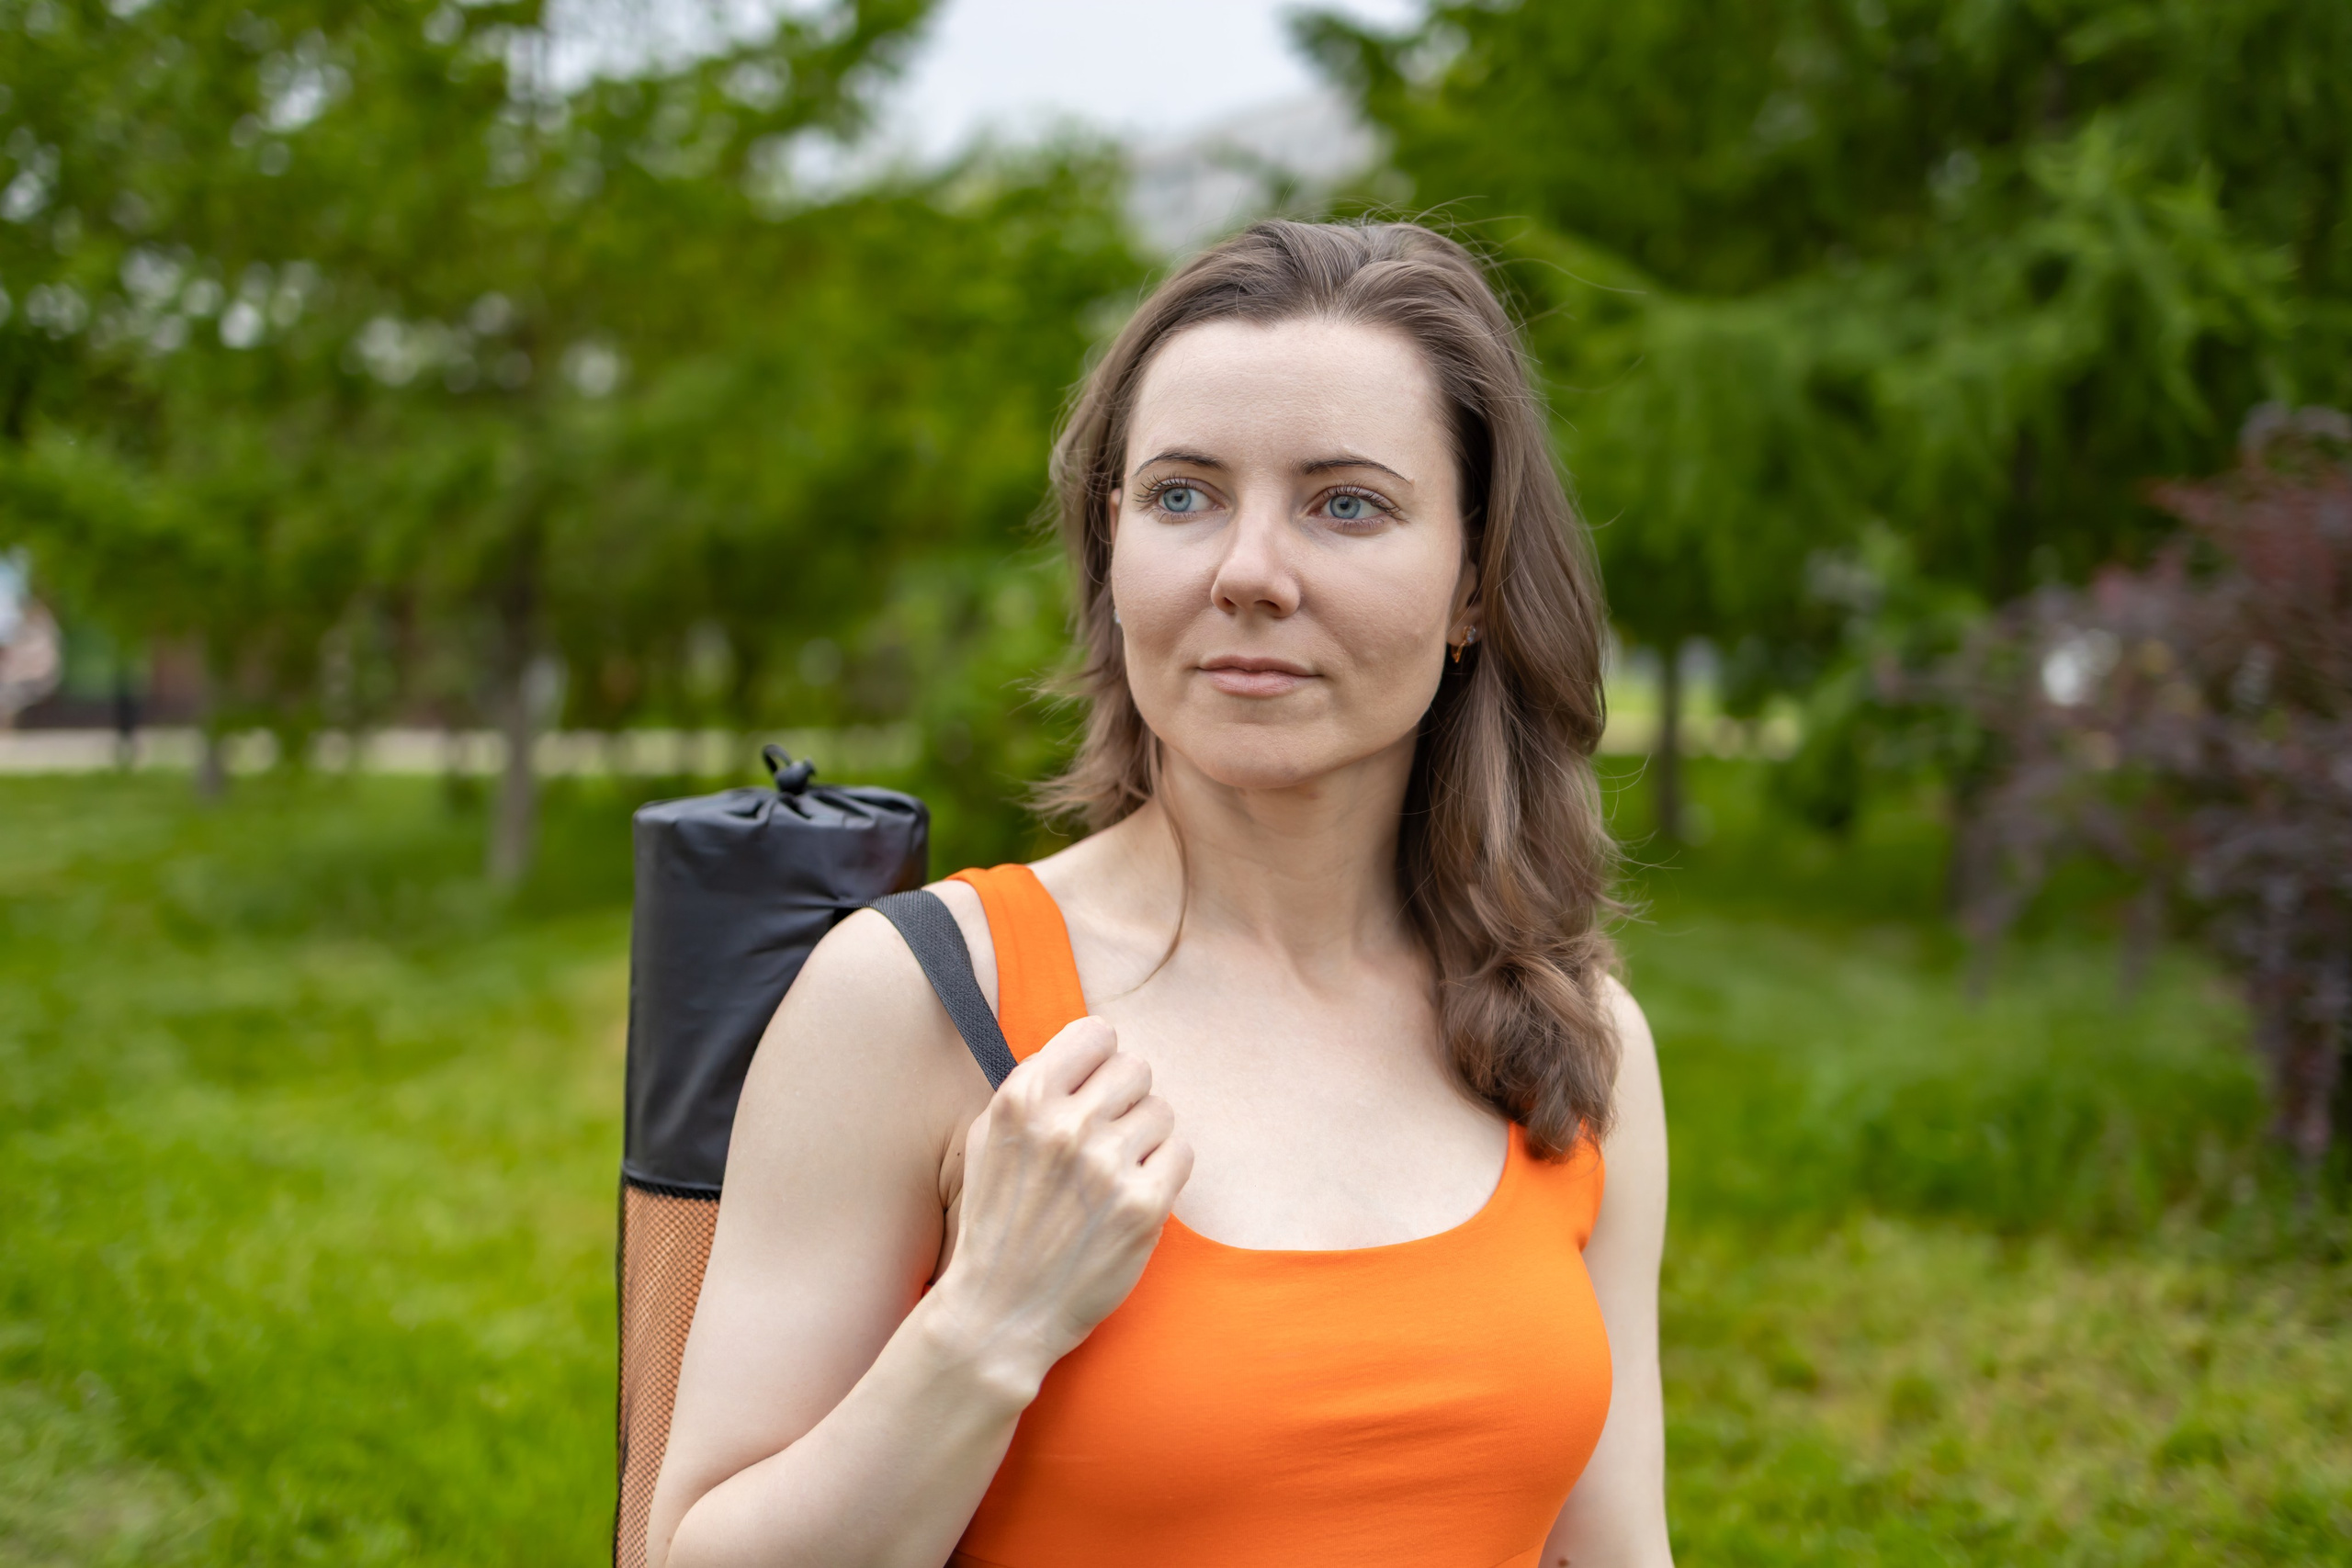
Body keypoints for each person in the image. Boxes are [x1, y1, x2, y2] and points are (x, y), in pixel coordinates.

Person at [646, 220, 1671, 1568]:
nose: (1247, 571)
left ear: (1474, 580)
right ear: (1114, 548)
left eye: (1344, 502)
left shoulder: (1574, 1037)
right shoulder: (921, 1002)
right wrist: (990, 1323)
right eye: (1185, 496)